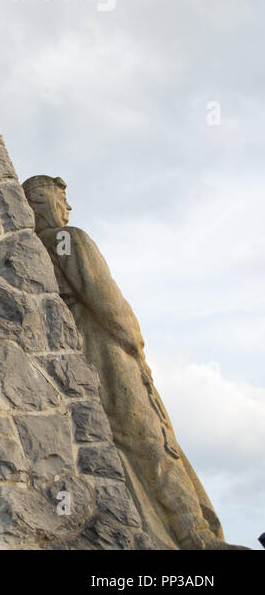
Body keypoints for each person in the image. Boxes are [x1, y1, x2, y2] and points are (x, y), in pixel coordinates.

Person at [22, 175, 227, 549]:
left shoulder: (31, 248)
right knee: (150, 437)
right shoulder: (69, 239)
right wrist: (134, 342)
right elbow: (105, 298)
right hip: (107, 346)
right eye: (62, 200)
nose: (68, 209)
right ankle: (193, 535)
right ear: (44, 201)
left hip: (79, 351)